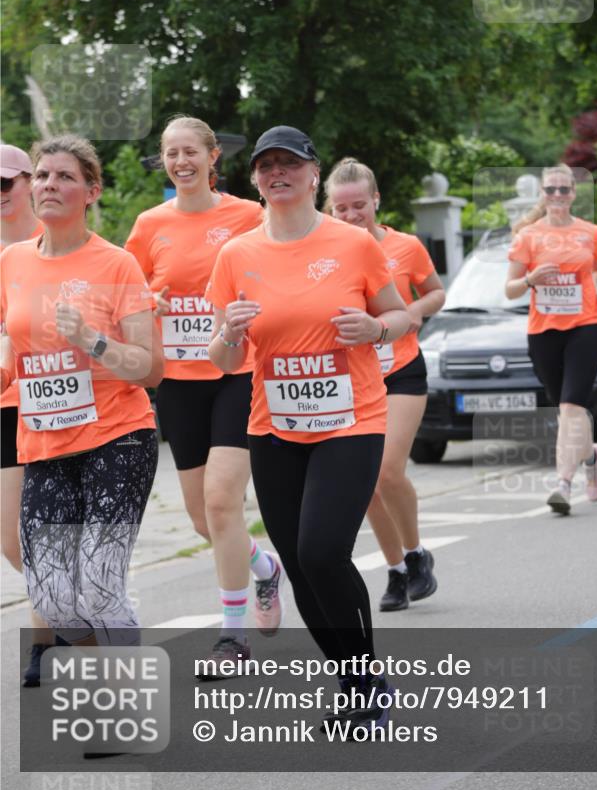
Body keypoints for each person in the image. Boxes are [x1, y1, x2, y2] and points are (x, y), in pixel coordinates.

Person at [207, 126, 410, 734]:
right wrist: (229, 337)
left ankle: (367, 678)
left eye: (289, 164)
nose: (278, 174)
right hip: (273, 428)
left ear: (313, 175)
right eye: (266, 166)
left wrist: (375, 331)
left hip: (351, 421)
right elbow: (220, 360)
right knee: (297, 562)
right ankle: (351, 680)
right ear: (256, 181)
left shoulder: (353, 245)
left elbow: (399, 313)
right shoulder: (236, 255)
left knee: (323, 550)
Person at [125, 116, 284, 664]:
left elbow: (278, 271)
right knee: (202, 518)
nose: (180, 162)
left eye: (191, 151)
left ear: (214, 157)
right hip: (178, 382)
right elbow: (127, 296)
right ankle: (265, 568)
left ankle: (232, 634)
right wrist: (150, 303)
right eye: (171, 153)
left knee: (222, 501)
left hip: (239, 372)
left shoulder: (247, 215)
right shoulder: (148, 224)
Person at [0, 134, 162, 646]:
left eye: (65, 176)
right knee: (51, 598)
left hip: (117, 439)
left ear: (91, 192)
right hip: (45, 444)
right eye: (44, 174)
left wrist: (91, 341)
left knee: (97, 586)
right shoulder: (13, 263)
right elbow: (10, 352)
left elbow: (150, 369)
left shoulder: (116, 265)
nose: (50, 184)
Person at [324, 158, 445, 612]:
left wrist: (412, 312)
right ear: (329, 208)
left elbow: (435, 291)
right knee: (365, 486)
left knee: (387, 470)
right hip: (353, 378)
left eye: (360, 205)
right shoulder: (324, 253)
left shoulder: (405, 246)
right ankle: (396, 570)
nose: (352, 216)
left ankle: (416, 556)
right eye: (341, 208)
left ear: (376, 201)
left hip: (402, 372)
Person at [505, 164, 597, 514]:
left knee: (571, 405)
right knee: (567, 409)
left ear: (573, 194)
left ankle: (562, 485)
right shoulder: (528, 237)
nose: (557, 196)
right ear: (542, 193)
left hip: (588, 324)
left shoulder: (591, 233)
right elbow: (510, 290)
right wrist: (531, 279)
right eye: (550, 190)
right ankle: (591, 455)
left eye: (563, 190)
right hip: (544, 331)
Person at [0, 144, 54, 685]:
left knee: (39, 532)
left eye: (4, 185)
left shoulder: (51, 243)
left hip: (48, 402)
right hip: (4, 401)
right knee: (11, 540)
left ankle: (47, 640)